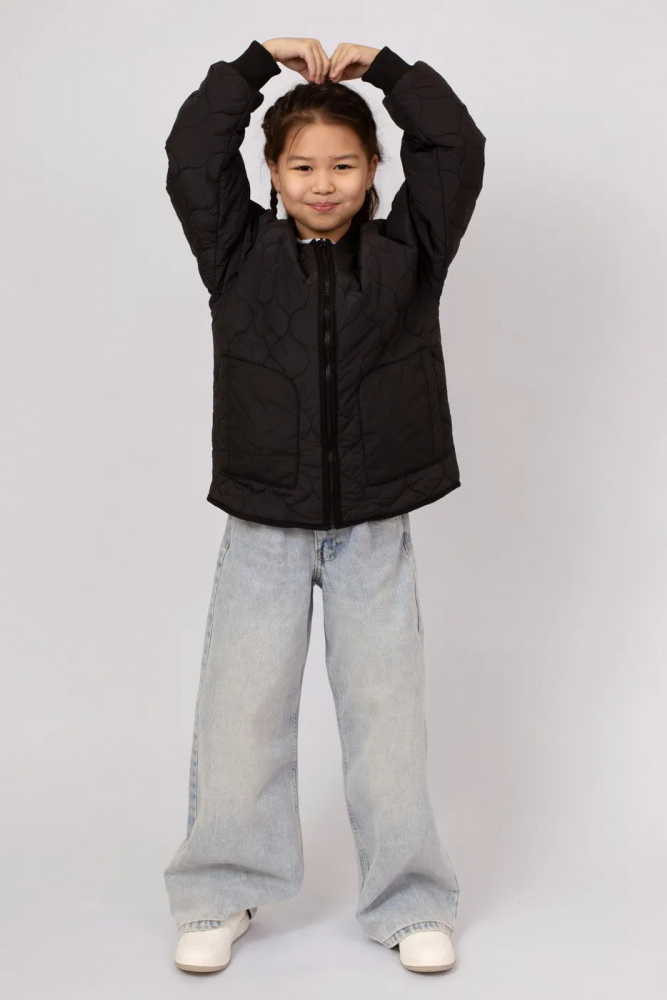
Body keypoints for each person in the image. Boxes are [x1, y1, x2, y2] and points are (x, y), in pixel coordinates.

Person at [161, 37, 486, 974]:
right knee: (241, 712)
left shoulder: (410, 253)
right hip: (264, 525)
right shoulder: (236, 254)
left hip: (373, 528)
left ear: (374, 169)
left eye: (344, 165)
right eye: (302, 166)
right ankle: (219, 892)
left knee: (387, 717)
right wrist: (250, 67)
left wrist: (388, 72)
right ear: (272, 172)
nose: (323, 183)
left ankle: (411, 903)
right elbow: (192, 154)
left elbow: (457, 147)